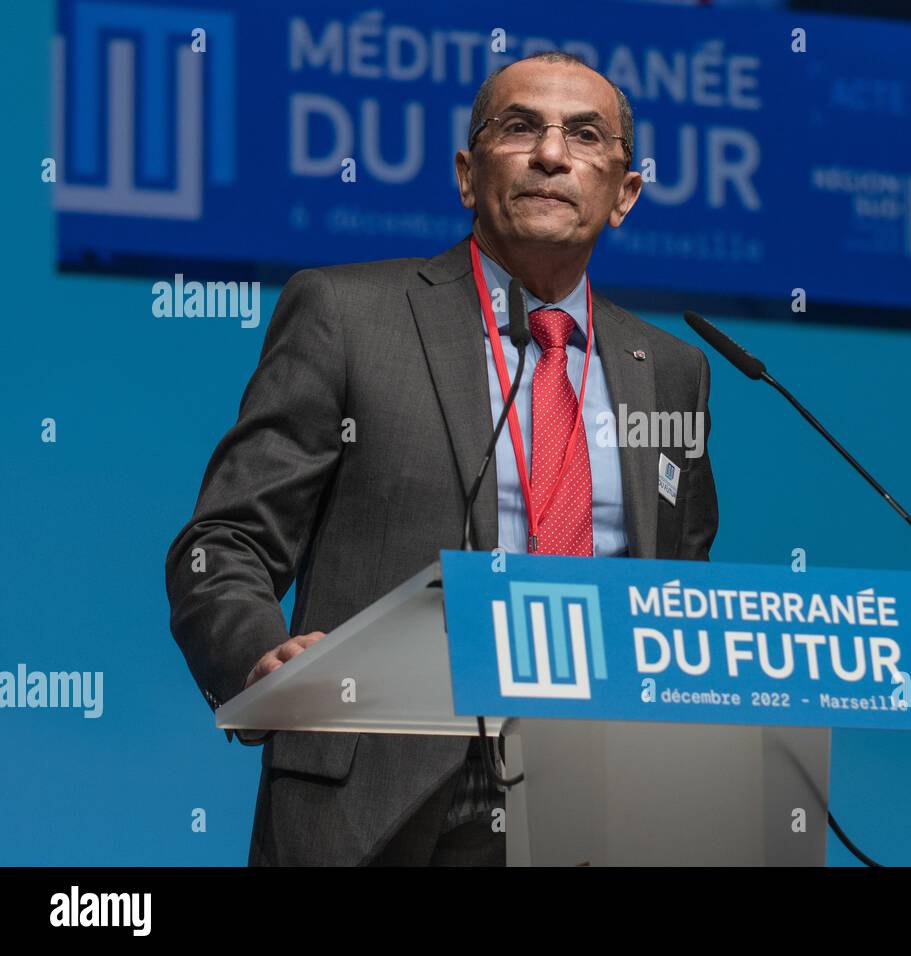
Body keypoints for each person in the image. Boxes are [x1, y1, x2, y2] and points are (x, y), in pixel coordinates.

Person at [164, 50, 719, 866]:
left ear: (625, 194)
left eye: (585, 135)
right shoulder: (348, 316)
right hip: (379, 789)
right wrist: (257, 655)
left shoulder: (672, 370)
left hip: (600, 790)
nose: (551, 155)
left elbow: (682, 589)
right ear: (467, 173)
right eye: (520, 127)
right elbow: (224, 543)